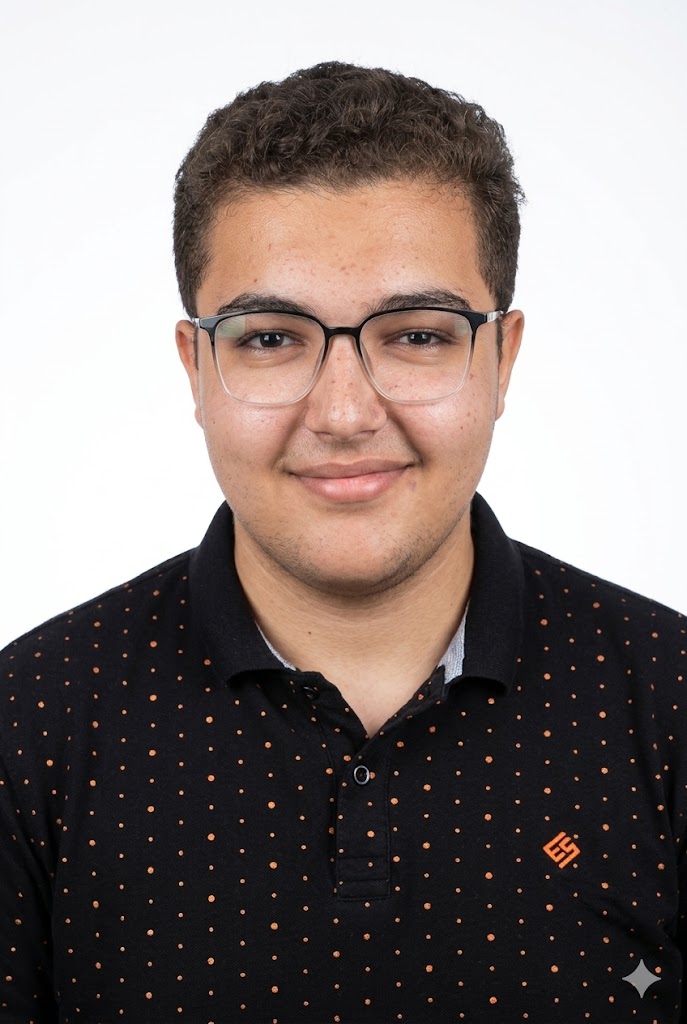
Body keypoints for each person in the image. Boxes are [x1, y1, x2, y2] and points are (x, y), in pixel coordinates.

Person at [1, 61, 684, 1024]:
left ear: (501, 358)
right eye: (270, 338)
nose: (345, 413)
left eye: (417, 335)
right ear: (197, 368)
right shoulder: (26, 725)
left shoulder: (669, 701)